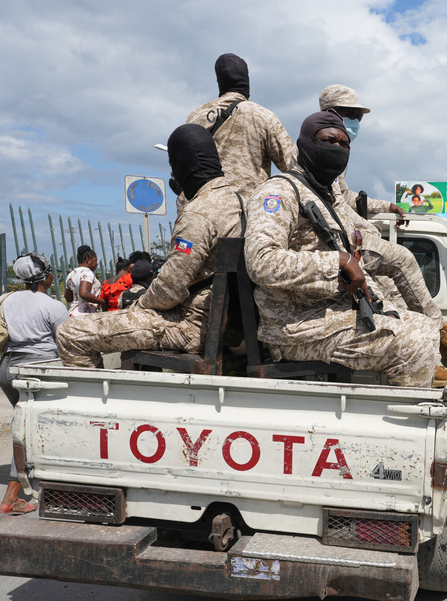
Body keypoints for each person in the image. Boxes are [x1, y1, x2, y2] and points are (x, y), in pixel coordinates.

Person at [244, 112, 447, 387]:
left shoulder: (325, 196)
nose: (337, 148)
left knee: (425, 328)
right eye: (328, 140)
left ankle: (419, 382)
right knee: (417, 341)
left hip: (335, 314)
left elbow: (357, 239)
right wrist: (336, 261)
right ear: (306, 145)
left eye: (344, 144)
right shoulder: (279, 193)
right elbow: (260, 261)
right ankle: (409, 422)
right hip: (296, 327)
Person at [57, 125, 246, 368]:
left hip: (192, 327)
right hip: (229, 326)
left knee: (70, 333)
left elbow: (170, 289)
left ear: (182, 166)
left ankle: (94, 402)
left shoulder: (199, 213)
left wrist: (138, 307)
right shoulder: (241, 201)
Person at [0, 254, 67, 515]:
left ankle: (42, 480)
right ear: (47, 277)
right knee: (32, 430)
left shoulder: (4, 300)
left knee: (26, 425)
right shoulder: (53, 306)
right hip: (42, 371)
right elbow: (67, 343)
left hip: (9, 369)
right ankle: (11, 498)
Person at [185, 53, 295, 199]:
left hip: (201, 210)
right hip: (244, 213)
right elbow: (295, 168)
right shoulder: (262, 115)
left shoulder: (195, 116)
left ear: (219, 80)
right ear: (246, 79)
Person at [318, 85, 406, 221]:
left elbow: (343, 195)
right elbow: (337, 204)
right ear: (331, 114)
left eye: (359, 117)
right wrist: (367, 229)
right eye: (352, 114)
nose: (356, 121)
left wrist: (386, 207)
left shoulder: (337, 150)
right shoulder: (318, 150)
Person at [64, 245, 105, 317]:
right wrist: (103, 302)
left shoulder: (71, 274)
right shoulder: (87, 273)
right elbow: (84, 293)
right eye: (95, 260)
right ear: (88, 260)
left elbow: (68, 298)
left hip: (72, 314)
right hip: (85, 316)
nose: (97, 263)